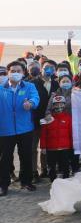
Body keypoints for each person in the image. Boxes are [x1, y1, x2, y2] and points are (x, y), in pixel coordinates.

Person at [0, 62, 40, 195]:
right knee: (5, 158)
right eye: (12, 70)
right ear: (8, 72)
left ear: (23, 73)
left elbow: (36, 98)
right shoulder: (1, 88)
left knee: (26, 156)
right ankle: (3, 185)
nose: (15, 73)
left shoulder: (29, 86)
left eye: (18, 70)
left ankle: (26, 182)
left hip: (25, 129)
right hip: (5, 129)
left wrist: (31, 103)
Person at [39, 93, 73, 181]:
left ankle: (66, 181)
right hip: (51, 148)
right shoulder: (47, 119)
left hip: (65, 147)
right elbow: (43, 135)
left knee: (65, 165)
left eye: (61, 104)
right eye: (56, 104)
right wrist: (43, 147)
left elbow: (71, 133)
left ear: (64, 105)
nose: (59, 106)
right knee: (51, 166)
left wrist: (72, 145)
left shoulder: (68, 118)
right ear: (53, 105)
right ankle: (53, 182)